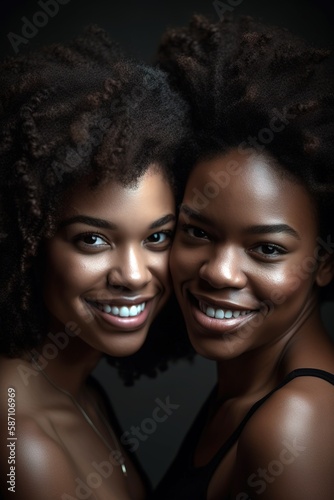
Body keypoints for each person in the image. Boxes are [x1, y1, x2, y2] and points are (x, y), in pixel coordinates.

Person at [0, 25, 189, 500]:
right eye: (93, 240)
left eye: (158, 237)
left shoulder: (79, 388)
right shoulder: (22, 441)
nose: (133, 274)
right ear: (28, 241)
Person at [151, 14, 334, 500]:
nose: (218, 271)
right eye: (197, 232)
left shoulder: (295, 423)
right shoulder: (248, 389)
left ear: (326, 261)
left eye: (267, 249)